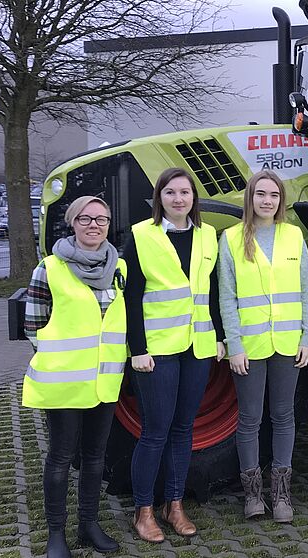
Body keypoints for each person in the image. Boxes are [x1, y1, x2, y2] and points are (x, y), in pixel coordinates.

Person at [123, 167, 225, 542]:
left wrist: (219, 336)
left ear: (194, 198)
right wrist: (138, 349)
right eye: (170, 193)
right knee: (155, 432)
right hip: (158, 350)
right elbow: (132, 295)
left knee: (184, 429)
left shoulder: (208, 235)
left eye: (185, 192)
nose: (178, 199)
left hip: (198, 346)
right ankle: (144, 510)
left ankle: (175, 504)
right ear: (159, 198)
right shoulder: (141, 235)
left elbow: (211, 290)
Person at [23, 196, 126, 558]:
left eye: (101, 219)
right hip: (64, 382)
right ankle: (56, 534)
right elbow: (33, 326)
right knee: (62, 457)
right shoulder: (49, 268)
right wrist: (59, 360)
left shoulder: (119, 268)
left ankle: (88, 525)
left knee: (96, 457)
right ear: (73, 223)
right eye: (85, 218)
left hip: (104, 380)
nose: (94, 225)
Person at [218, 169, 308, 523]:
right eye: (261, 194)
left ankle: (282, 494)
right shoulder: (230, 239)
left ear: (280, 201)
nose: (267, 201)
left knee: (284, 416)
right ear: (250, 198)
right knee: (249, 419)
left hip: (288, 343)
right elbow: (226, 297)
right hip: (250, 345)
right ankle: (253, 495)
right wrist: (234, 344)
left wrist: (307, 336)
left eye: (273, 195)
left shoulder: (293, 236)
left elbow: (307, 291)